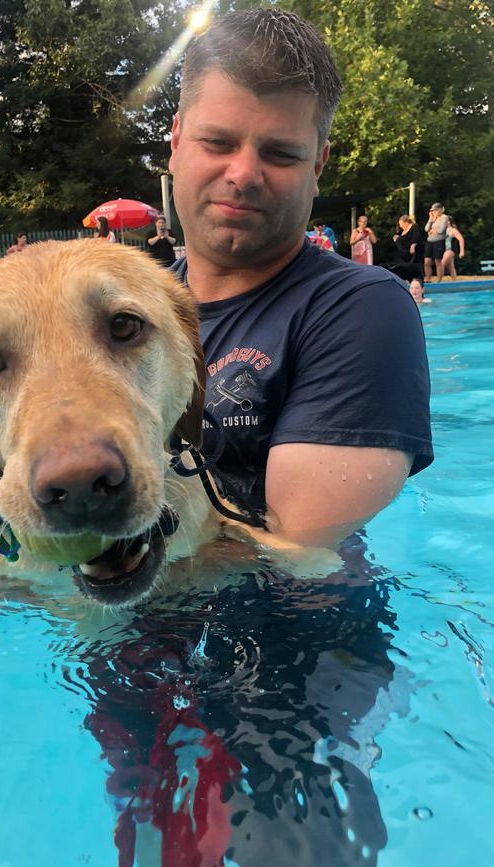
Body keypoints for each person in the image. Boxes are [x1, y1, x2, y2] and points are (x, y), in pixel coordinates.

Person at [168, 6, 433, 549]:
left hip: (296, 630)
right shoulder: (129, 307)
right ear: (174, 141)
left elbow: (296, 556)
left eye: (281, 153)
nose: (242, 174)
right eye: (217, 142)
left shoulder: (361, 311)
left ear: (317, 165)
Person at [389, 214, 424, 280]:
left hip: (413, 253)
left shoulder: (414, 227)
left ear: (406, 222)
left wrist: (413, 246)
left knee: (414, 266)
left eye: (401, 224)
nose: (400, 226)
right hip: (404, 253)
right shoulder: (404, 230)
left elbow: (416, 236)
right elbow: (404, 239)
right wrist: (398, 238)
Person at [424, 202, 449, 282]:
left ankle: (439, 280)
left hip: (439, 241)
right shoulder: (433, 218)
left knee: (437, 261)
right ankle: (428, 279)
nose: (433, 212)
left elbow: (441, 230)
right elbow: (426, 229)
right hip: (430, 241)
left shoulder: (444, 217)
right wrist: (430, 219)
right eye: (432, 210)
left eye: (435, 210)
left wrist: (433, 230)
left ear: (440, 210)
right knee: (427, 261)